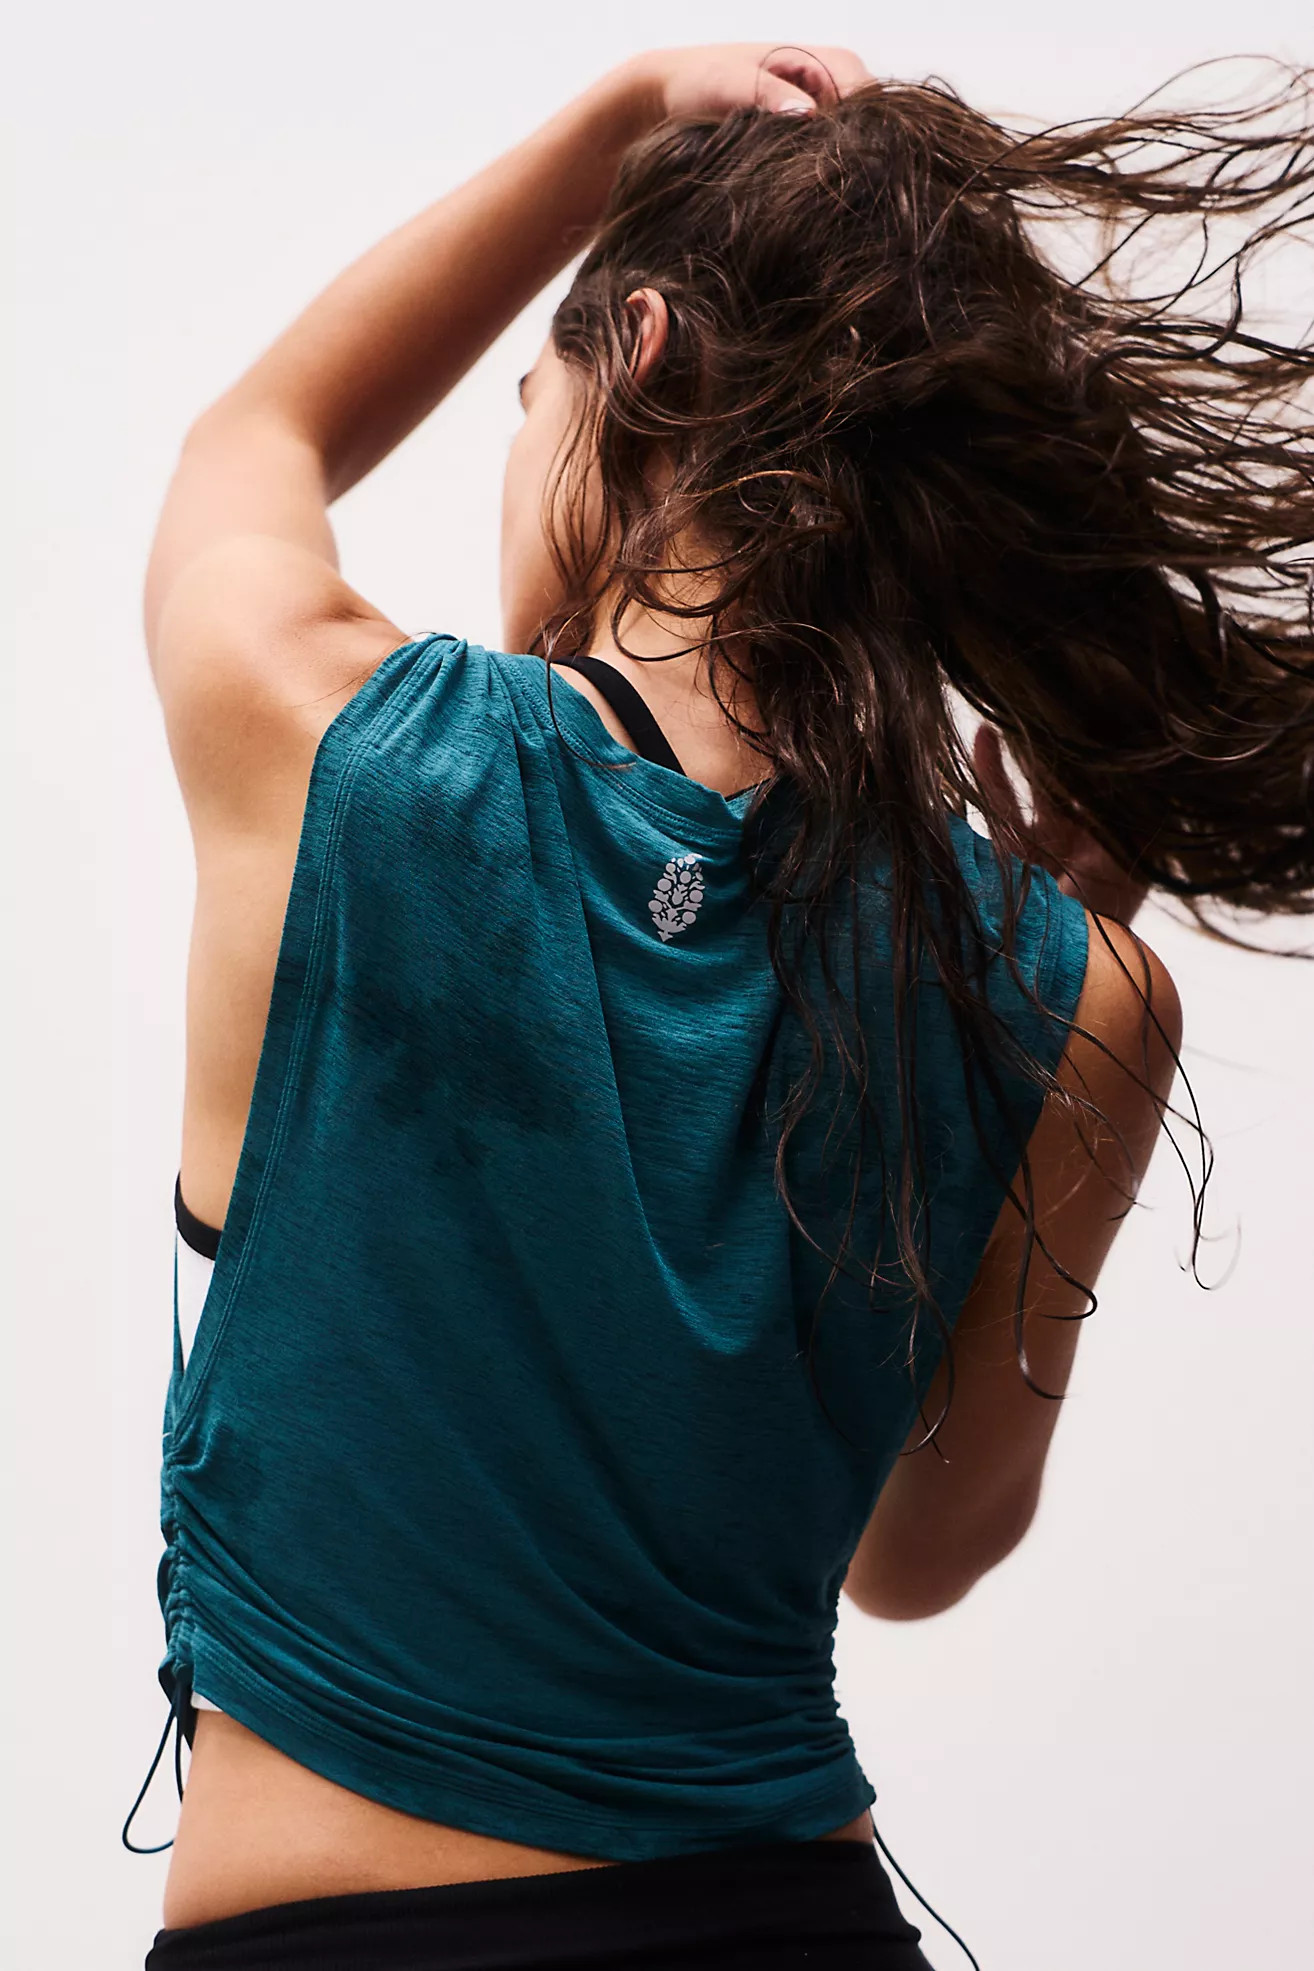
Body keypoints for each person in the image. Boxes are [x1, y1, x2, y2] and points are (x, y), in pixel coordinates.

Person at [128, 41, 1312, 1971]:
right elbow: (914, 1558)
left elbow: (254, 438)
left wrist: (605, 130)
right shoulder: (1072, 991)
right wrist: (1024, 994)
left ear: (643, 352)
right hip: (785, 1926)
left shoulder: (338, 743)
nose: (521, 458)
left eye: (534, 403)